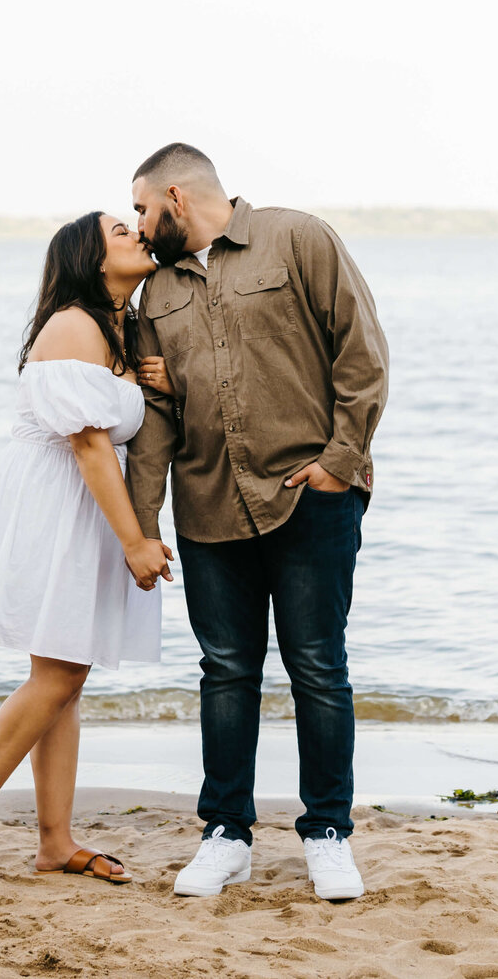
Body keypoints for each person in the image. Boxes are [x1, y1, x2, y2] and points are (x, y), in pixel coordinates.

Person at [127, 144, 389, 901]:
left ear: (176, 196)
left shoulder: (297, 238)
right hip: (208, 507)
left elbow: (361, 354)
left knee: (318, 668)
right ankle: (225, 835)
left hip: (311, 497)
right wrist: (143, 524)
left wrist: (341, 462)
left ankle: (328, 833)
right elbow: (155, 418)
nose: (142, 228)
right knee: (226, 674)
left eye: (144, 209)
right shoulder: (158, 295)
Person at [0, 212, 173, 883]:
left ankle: (54, 842)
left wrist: (160, 383)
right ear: (91, 260)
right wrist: (135, 541)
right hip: (55, 507)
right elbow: (90, 442)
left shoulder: (115, 330)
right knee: (60, 675)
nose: (137, 234)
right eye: (122, 231)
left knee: (68, 680)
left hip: (83, 508)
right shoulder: (73, 324)